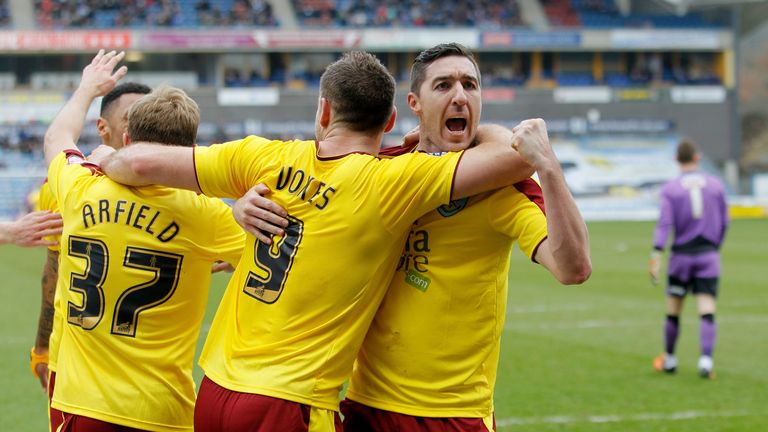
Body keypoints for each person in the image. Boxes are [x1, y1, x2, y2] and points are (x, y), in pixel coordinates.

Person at [97, 50, 544, 431]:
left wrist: (103, 159)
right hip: (292, 401)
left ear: (324, 112)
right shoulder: (392, 181)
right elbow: (517, 156)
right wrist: (482, 128)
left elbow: (135, 163)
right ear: (390, 120)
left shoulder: (263, 157)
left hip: (216, 390)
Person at [235, 43, 591, 432]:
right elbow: (310, 204)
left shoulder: (504, 190)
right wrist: (244, 207)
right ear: (414, 103)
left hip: (450, 414)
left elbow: (572, 268)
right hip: (365, 405)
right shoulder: (382, 170)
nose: (459, 96)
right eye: (443, 86)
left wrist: (548, 167)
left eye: (470, 85)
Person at [44, 49, 245, 431]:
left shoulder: (80, 187)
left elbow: (57, 136)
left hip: (85, 405)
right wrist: (237, 256)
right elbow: (273, 257)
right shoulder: (207, 215)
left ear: (127, 137)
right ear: (190, 148)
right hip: (162, 409)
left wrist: (88, 88)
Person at [30, 81, 152, 431]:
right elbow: (53, 270)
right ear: (104, 128)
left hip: (149, 383)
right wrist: (42, 347)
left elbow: (56, 138)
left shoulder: (69, 183)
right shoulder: (187, 194)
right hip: (83, 382)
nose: (144, 125)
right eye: (133, 118)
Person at [650, 139, 728, 379]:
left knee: (674, 310)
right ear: (697, 157)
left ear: (676, 160)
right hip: (708, 255)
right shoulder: (716, 185)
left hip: (681, 256)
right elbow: (725, 221)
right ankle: (705, 361)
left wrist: (656, 253)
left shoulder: (670, 189)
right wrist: (715, 246)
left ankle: (671, 360)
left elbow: (665, 224)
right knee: (707, 309)